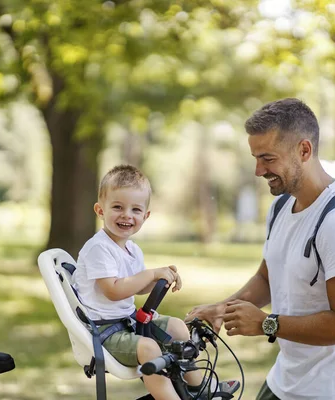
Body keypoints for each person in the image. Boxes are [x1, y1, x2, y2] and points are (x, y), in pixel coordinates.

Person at [186, 98, 335, 400]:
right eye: (255, 158)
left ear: (304, 150)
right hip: (283, 382)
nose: (257, 170)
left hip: (334, 391)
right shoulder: (280, 207)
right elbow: (267, 278)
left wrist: (266, 323)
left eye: (267, 158)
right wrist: (222, 309)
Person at [72, 165, 240, 400]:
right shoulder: (98, 248)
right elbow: (113, 291)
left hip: (127, 321)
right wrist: (151, 274)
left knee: (178, 328)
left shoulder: (132, 249)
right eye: (118, 207)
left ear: (145, 216)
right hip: (104, 332)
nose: (127, 215)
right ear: (100, 210)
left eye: (136, 209)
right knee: (149, 349)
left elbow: (136, 286)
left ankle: (197, 389)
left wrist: (159, 280)